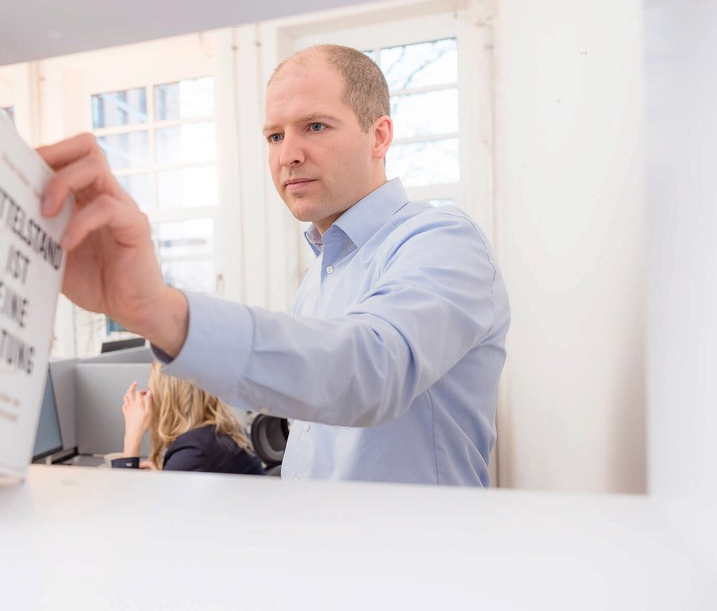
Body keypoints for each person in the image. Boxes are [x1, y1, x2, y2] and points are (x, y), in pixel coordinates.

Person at [39, 44, 510, 486]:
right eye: (275, 135)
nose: (288, 155)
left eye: (316, 127)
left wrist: (156, 310)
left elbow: (370, 371)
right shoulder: (319, 278)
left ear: (379, 136)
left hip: (413, 565)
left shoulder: (442, 241)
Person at [110, 361, 265, 475]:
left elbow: (126, 512)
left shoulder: (195, 450)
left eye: (152, 391)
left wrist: (132, 436)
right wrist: (165, 474)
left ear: (167, 398)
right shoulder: (216, 434)